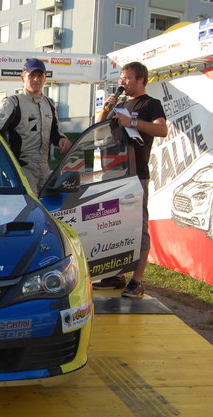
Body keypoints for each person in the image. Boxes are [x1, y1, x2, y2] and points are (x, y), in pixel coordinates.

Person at [93, 61, 168, 297]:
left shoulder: (150, 104)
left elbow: (162, 130)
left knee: (139, 227)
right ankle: (115, 274)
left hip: (136, 175)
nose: (122, 83)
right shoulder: (120, 105)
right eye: (121, 78)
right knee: (113, 225)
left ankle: (137, 281)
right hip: (114, 174)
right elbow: (98, 130)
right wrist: (106, 109)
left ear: (140, 80)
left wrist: (133, 122)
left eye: (127, 78)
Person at [0, 58, 71, 193]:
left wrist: (61, 140)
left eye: (40, 75)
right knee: (29, 205)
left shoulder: (49, 103)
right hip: (23, 168)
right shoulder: (13, 102)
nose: (36, 79)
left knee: (49, 204)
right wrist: (4, 163)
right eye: (32, 75)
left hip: (45, 168)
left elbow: (55, 132)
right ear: (23, 78)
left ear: (45, 78)